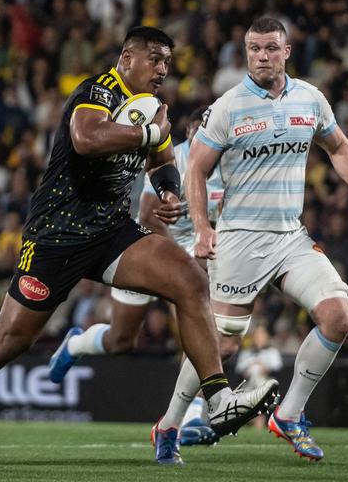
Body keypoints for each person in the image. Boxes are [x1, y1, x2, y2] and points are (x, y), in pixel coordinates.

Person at [0, 26, 278, 470]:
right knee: (9, 341)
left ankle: (218, 400)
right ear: (126, 58)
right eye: (154, 58)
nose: (161, 69)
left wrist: (170, 191)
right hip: (56, 236)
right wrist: (149, 137)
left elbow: (161, 162)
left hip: (111, 231)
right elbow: (88, 139)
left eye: (167, 62)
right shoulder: (98, 91)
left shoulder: (153, 108)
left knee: (189, 278)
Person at [188, 18, 348, 461]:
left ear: (287, 51)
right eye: (254, 48)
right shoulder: (228, 106)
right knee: (220, 344)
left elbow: (337, 147)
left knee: (338, 316)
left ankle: (289, 415)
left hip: (290, 238)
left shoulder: (310, 99)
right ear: (245, 52)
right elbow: (195, 168)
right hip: (239, 238)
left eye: (270, 48)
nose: (262, 56)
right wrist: (203, 226)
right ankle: (175, 421)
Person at [47, 106, 229, 460]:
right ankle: (77, 344)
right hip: (149, 252)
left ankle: (187, 417)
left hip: (196, 264)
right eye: (197, 135)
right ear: (189, 135)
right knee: (121, 340)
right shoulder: (170, 159)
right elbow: (147, 216)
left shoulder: (228, 166)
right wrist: (182, 260)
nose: (203, 141)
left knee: (198, 328)